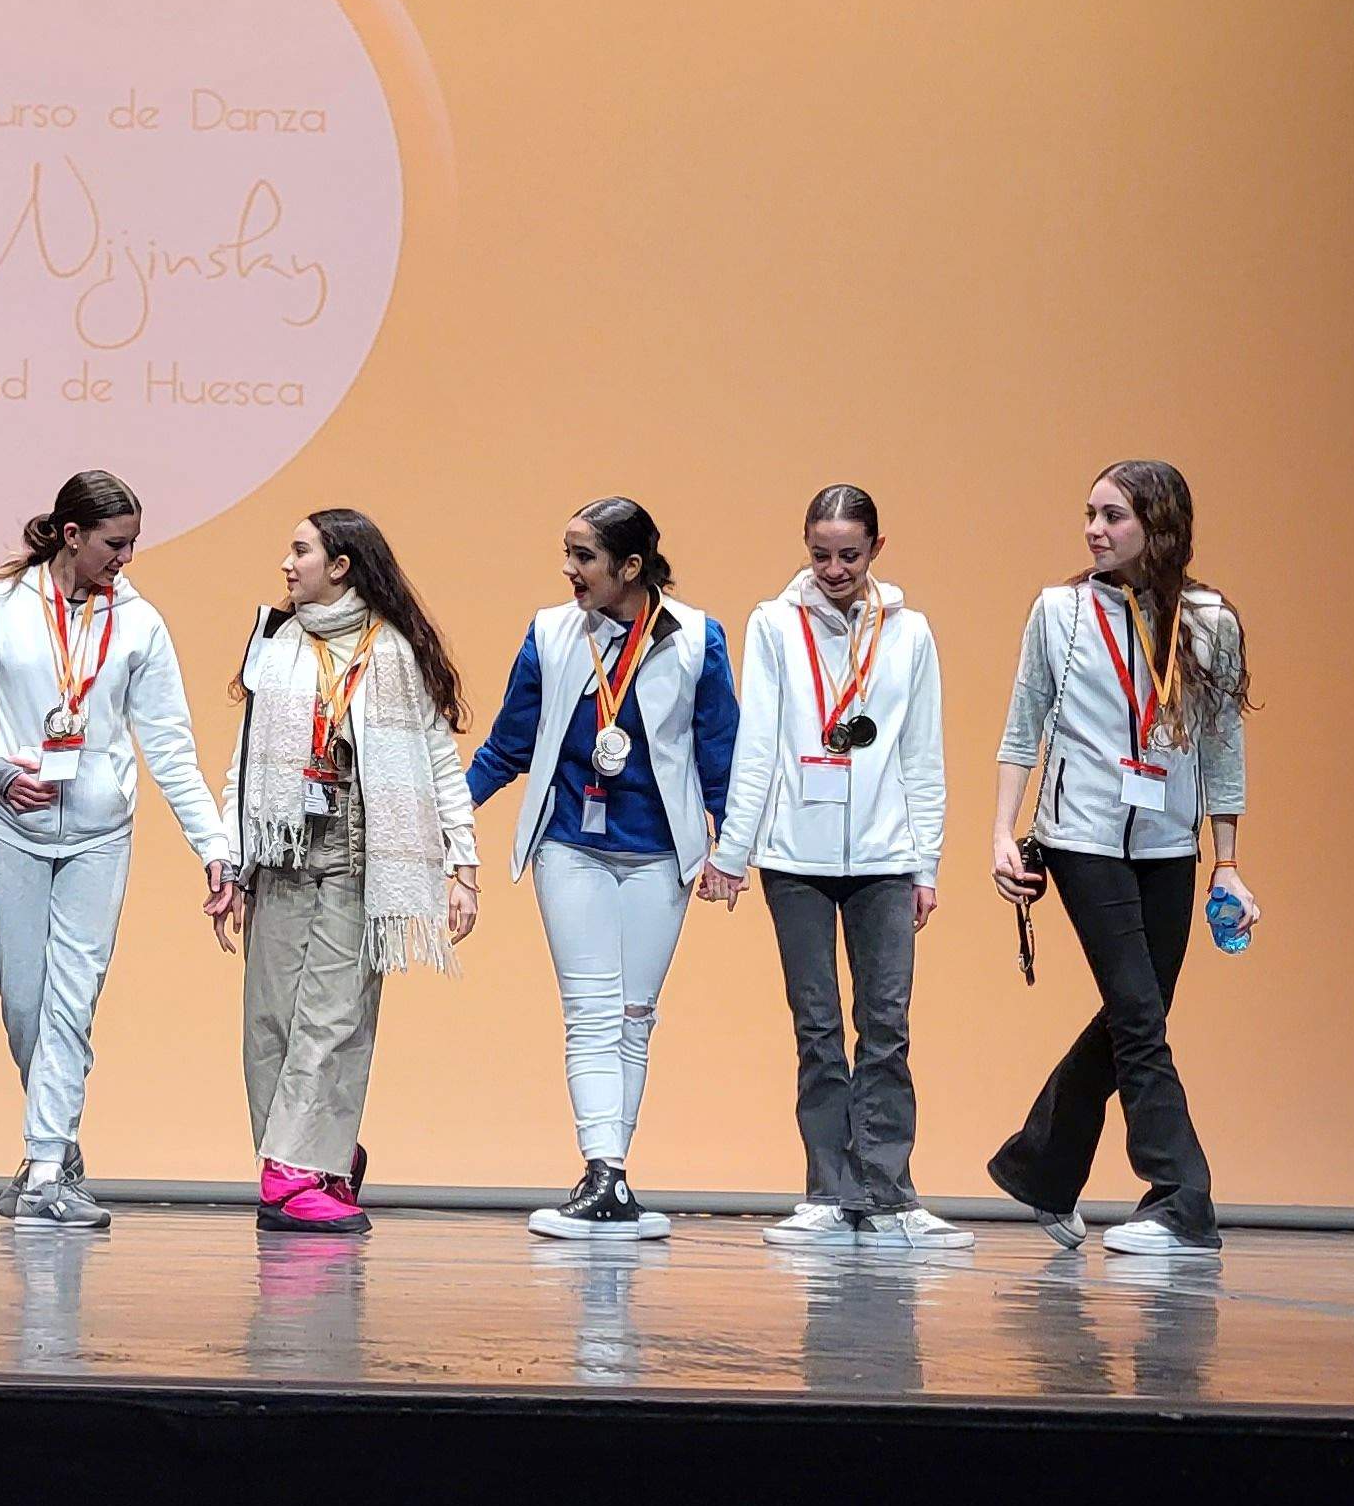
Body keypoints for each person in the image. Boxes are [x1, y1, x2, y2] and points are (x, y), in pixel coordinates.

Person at [0, 470, 233, 1231]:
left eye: (131, 545)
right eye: (114, 544)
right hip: (14, 829)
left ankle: (45, 1168)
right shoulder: (0, 607)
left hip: (101, 836)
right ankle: (55, 1146)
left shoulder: (141, 624)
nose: (125, 559)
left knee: (72, 1001)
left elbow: (169, 746)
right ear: (71, 535)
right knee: (24, 1002)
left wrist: (214, 846)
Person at [984, 460, 1257, 1259]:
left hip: (1168, 841)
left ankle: (1041, 1164)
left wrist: (1227, 862)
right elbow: (1021, 725)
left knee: (1140, 1016)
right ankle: (1180, 1197)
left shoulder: (1209, 620)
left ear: (1160, 526)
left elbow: (1222, 746)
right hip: (1082, 838)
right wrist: (1004, 833)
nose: (1094, 531)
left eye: (1113, 516)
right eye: (1090, 515)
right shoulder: (1059, 611)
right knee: (1139, 1017)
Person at [465, 497, 738, 1241]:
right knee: (590, 1012)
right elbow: (509, 745)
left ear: (631, 566)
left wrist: (732, 852)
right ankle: (604, 1170)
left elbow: (721, 756)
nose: (570, 570)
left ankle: (613, 1181)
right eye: (568, 553)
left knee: (633, 1019)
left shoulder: (696, 640)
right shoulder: (553, 633)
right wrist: (449, 814)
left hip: (660, 857)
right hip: (570, 848)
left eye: (584, 557)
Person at [211, 509, 478, 1236]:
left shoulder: (393, 653)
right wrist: (229, 862)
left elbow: (436, 759)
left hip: (362, 860)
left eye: (300, 551)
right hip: (282, 853)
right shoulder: (274, 642)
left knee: (331, 1023)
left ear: (342, 566)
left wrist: (464, 865)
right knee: (268, 1022)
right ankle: (321, 1153)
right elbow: (244, 764)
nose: (286, 564)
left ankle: (292, 1174)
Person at [704, 485, 958, 1248]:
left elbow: (922, 754)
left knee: (887, 1025)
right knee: (817, 1027)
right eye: (820, 554)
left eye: (849, 554)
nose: (834, 568)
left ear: (877, 549)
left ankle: (889, 1194)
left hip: (885, 857)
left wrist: (926, 864)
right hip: (794, 857)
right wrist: (733, 852)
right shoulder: (774, 625)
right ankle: (827, 1190)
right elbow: (757, 746)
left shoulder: (909, 634)